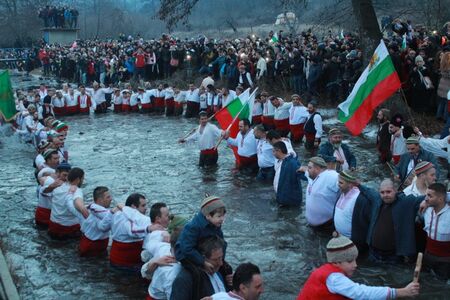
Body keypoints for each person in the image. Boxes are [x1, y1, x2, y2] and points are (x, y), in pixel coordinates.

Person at [297, 234, 420, 299]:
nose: (355, 265)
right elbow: (362, 293)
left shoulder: (327, 271)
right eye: (350, 261)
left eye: (355, 260)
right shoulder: (334, 278)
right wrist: (401, 292)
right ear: (336, 262)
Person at [367, 179, 425, 263]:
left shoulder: (406, 202)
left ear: (396, 190)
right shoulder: (377, 200)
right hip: (373, 252)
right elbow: (368, 192)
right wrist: (357, 184)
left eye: (388, 192)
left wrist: (425, 201)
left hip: (393, 256)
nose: (385, 195)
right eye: (382, 192)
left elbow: (430, 197)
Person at [175, 195, 227, 273]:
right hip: (186, 254)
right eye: (219, 216)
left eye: (223, 216)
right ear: (208, 216)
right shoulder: (193, 227)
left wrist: (221, 260)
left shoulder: (215, 222)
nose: (222, 219)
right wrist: (202, 262)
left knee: (226, 269)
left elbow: (222, 242)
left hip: (203, 248)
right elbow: (187, 249)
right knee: (197, 272)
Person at [171, 236, 228, 300]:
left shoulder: (219, 273)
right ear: (202, 258)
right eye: (215, 260)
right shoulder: (184, 280)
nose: (220, 263)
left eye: (221, 258)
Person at [333, 171, 376, 253]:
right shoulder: (343, 192)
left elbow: (367, 223)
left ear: (350, 184)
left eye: (341, 183)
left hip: (353, 244)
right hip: (339, 238)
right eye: (338, 181)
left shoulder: (361, 199)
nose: (338, 184)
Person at [110, 193, 154, 271]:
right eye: (143, 206)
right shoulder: (127, 219)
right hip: (125, 264)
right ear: (133, 207)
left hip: (118, 259)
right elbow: (134, 231)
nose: (146, 208)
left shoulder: (118, 213)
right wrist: (149, 229)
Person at [298, 157, 339, 231]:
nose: (308, 170)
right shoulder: (312, 176)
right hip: (313, 226)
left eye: (309, 168)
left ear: (317, 169)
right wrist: (302, 168)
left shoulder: (331, 176)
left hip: (326, 226)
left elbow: (346, 183)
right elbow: (306, 170)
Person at [79, 186, 121, 257]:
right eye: (108, 197)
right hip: (91, 247)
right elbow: (103, 227)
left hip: (97, 246)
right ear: (100, 200)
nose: (111, 199)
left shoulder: (96, 209)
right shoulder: (95, 210)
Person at [48, 167, 86, 240]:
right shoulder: (77, 191)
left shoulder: (57, 186)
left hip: (53, 226)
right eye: (82, 179)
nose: (83, 181)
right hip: (69, 228)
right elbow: (79, 205)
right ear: (78, 179)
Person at [422, 183, 450, 279]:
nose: (426, 198)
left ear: (441, 199)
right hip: (427, 255)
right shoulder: (426, 210)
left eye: (430, 196)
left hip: (445, 260)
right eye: (426, 195)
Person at [35, 162, 71, 228]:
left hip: (52, 214)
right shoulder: (49, 181)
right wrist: (52, 186)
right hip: (44, 214)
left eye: (68, 176)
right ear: (57, 173)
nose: (66, 178)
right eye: (64, 175)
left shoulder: (64, 182)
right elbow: (44, 191)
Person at [273, 141, 302, 206]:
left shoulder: (292, 163)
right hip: (282, 197)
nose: (273, 154)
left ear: (279, 151)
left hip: (289, 200)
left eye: (274, 151)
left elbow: (303, 175)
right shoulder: (280, 161)